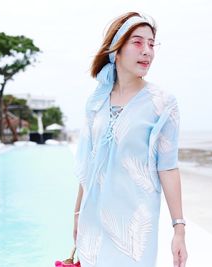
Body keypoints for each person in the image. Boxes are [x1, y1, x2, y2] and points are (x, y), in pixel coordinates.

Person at [73, 12, 188, 267]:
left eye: (151, 44)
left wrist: (178, 229)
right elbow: (88, 166)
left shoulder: (162, 103)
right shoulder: (97, 101)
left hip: (134, 231)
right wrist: (77, 214)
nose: (147, 51)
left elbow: (167, 167)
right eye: (137, 42)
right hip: (94, 226)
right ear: (117, 49)